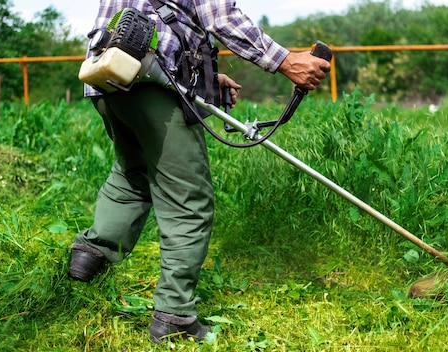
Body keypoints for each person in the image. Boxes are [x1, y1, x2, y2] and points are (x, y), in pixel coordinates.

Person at [68, 0, 331, 344]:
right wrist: (286, 60)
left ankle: (88, 257)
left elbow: (166, 19)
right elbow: (219, 16)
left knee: (135, 173)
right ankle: (174, 316)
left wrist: (203, 74)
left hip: (108, 74)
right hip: (149, 79)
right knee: (188, 200)